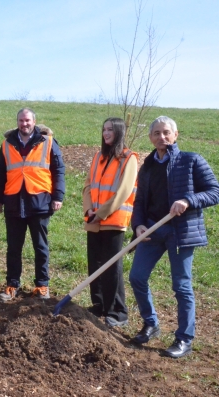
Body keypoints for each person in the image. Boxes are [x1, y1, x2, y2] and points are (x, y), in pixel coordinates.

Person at [129, 116, 219, 358]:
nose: (162, 137)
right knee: (137, 277)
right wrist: (137, 225)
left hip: (180, 232)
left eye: (166, 132)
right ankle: (151, 323)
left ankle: (184, 339)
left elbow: (214, 191)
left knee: (181, 286)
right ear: (151, 138)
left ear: (175, 134)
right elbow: (139, 202)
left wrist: (188, 200)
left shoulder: (191, 161)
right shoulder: (147, 167)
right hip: (152, 230)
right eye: (157, 133)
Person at [0, 108, 65, 301]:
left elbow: (58, 170)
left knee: (40, 246)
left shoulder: (48, 142)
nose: (24, 124)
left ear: (34, 122)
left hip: (39, 202)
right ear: (17, 122)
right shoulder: (6, 145)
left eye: (27, 120)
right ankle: (12, 285)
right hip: (13, 202)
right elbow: (2, 174)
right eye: (21, 120)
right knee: (13, 248)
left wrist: (58, 196)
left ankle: (42, 286)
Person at [82, 117, 137, 327]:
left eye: (110, 130)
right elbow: (88, 185)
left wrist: (102, 213)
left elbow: (124, 191)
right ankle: (99, 305)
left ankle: (117, 312)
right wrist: (89, 209)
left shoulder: (128, 158)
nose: (106, 134)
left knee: (111, 266)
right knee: (94, 263)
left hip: (113, 220)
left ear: (119, 132)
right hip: (94, 219)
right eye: (104, 129)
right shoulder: (98, 156)